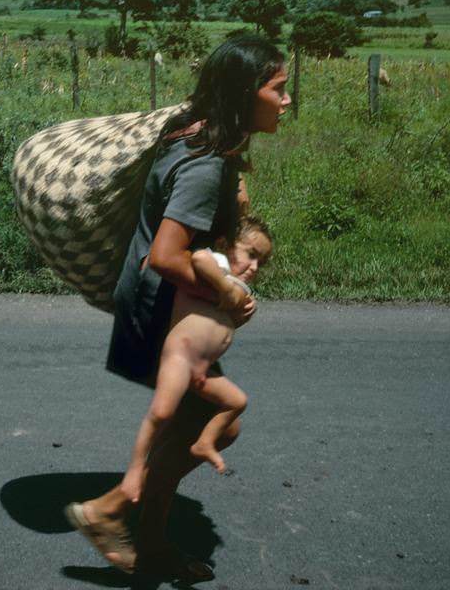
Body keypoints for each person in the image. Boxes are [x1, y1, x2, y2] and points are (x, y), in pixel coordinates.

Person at [64, 34, 290, 583]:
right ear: (244, 94)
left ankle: (145, 534)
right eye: (279, 89)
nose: (287, 101)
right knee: (208, 424)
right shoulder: (206, 164)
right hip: (159, 309)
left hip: (159, 304)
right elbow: (167, 256)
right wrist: (228, 291)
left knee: (193, 420)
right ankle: (117, 511)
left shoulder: (197, 136)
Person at [120, 216, 272, 504]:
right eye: (251, 255)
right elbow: (200, 259)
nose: (254, 267)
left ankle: (204, 442)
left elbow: (217, 323)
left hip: (202, 369)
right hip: (180, 358)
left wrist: (237, 315)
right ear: (225, 245)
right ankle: (134, 471)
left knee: (237, 401)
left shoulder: (236, 282)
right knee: (161, 414)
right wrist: (226, 288)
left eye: (260, 263)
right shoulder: (219, 265)